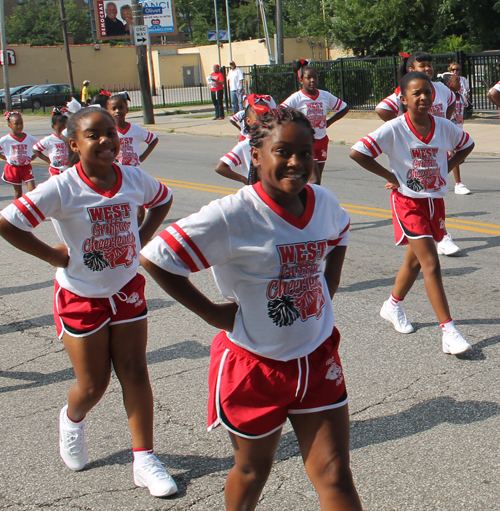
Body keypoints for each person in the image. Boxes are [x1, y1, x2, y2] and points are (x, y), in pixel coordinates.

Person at [140, 106, 363, 511]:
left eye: (306, 152)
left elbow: (341, 232)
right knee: (253, 471)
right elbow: (157, 257)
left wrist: (329, 284)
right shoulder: (232, 215)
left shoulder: (324, 200)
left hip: (317, 358)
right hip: (254, 366)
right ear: (256, 154)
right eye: (284, 151)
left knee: (336, 475)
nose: (297, 162)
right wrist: (212, 313)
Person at [0, 108, 177, 498]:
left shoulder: (131, 176)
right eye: (93, 135)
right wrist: (53, 255)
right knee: (93, 385)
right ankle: (72, 420)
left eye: (110, 133)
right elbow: (7, 222)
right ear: (73, 144)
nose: (105, 141)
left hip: (126, 288)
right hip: (80, 295)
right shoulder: (61, 187)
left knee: (134, 370)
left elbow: (162, 199)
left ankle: (144, 459)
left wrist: (142, 236)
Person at [350, 71, 475, 355]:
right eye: (416, 93)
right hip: (408, 201)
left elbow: (467, 144)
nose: (423, 97)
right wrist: (391, 175)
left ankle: (392, 305)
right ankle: (449, 331)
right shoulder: (394, 128)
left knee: (415, 262)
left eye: (428, 92)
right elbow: (358, 152)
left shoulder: (443, 126)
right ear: (404, 99)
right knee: (431, 262)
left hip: (434, 200)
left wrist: (446, 167)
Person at [375, 51, 461, 257]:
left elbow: (452, 100)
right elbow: (381, 109)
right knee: (423, 195)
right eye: (422, 65)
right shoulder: (404, 92)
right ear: (411, 69)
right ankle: (441, 236)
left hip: (435, 146)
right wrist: (404, 128)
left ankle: (436, 235)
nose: (428, 68)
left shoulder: (440, 89)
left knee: (436, 194)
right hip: (416, 152)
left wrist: (444, 126)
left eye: (430, 64)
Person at [282, 59, 349, 185]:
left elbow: (344, 108)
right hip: (307, 142)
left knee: (316, 179)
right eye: (308, 78)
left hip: (322, 140)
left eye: (315, 77)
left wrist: (328, 122)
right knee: (314, 179)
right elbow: (280, 112)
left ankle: (305, 197)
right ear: (301, 80)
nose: (312, 80)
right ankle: (311, 201)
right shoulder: (297, 97)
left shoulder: (324, 95)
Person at [107, 92, 158, 225]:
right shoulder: (107, 131)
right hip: (115, 174)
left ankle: (137, 230)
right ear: (108, 111)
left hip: (134, 174)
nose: (117, 111)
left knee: (139, 204)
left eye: (120, 107)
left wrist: (142, 157)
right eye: (113, 108)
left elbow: (153, 139)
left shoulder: (136, 130)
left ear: (127, 110)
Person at [215, 94, 273, 183]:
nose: (263, 121)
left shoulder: (276, 140)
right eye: (258, 118)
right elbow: (221, 167)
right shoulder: (246, 145)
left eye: (267, 117)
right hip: (256, 191)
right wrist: (245, 180)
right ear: (248, 121)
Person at [440, 73, 471, 194]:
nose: (460, 83)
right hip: (449, 129)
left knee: (459, 158)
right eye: (456, 81)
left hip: (459, 130)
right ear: (449, 84)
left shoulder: (461, 97)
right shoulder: (445, 97)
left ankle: (440, 171)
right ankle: (458, 184)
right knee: (454, 155)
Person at [0, 111, 38, 199]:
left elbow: (39, 146)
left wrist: (33, 157)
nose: (19, 126)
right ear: (9, 125)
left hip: (26, 168)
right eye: (16, 124)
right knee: (18, 192)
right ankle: (16, 211)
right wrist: (6, 158)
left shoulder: (28, 137)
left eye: (21, 123)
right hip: (14, 169)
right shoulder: (6, 139)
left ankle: (32, 209)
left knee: (32, 190)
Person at [33, 107, 70, 178]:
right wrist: (48, 160)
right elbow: (35, 149)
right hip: (55, 171)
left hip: (69, 170)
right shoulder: (49, 139)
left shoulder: (70, 138)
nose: (62, 132)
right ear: (53, 127)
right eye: (60, 129)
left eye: (65, 129)